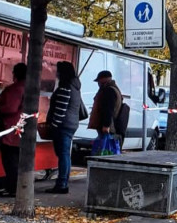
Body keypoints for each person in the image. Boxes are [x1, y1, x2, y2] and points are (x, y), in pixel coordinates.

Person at [45, 61, 82, 194]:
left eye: (58, 70)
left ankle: (62, 184)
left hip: (63, 126)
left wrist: (53, 126)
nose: (56, 73)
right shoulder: (75, 87)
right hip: (71, 124)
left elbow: (60, 110)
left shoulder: (66, 87)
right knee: (65, 154)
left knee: (63, 155)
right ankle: (63, 182)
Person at [0, 63, 26, 197]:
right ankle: (15, 187)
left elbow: (10, 108)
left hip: (11, 129)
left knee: (10, 160)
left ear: (16, 74)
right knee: (16, 160)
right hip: (22, 129)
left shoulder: (15, 89)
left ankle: (11, 188)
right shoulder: (29, 88)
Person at [88, 70, 122, 137]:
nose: (98, 83)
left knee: (105, 145)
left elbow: (108, 109)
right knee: (104, 145)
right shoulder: (113, 89)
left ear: (104, 79)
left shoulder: (109, 90)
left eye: (99, 81)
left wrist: (106, 125)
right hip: (109, 124)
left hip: (107, 126)